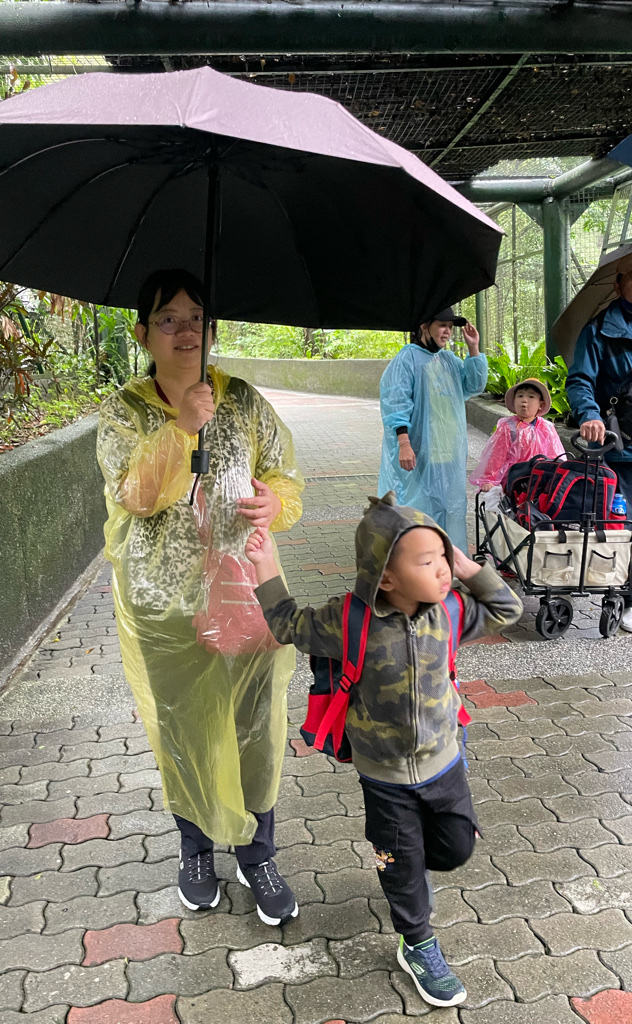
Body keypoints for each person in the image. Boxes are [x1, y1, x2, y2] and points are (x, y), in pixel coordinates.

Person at [245, 492, 522, 1007]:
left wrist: (467, 566)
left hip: (445, 762)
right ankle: (417, 942)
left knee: (457, 848)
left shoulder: (452, 610)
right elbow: (287, 623)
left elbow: (508, 608)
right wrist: (263, 563)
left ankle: (415, 866)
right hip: (384, 776)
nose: (442, 570)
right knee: (400, 863)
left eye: (443, 556)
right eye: (427, 561)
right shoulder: (348, 620)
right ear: (386, 578)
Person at [96, 269, 305, 924]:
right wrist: (181, 428)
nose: (186, 331)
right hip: (163, 605)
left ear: (213, 330)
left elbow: (283, 476)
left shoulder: (241, 400)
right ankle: (195, 850)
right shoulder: (125, 412)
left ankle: (257, 852)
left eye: (197, 318)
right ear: (143, 334)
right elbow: (134, 495)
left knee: (256, 725)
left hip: (247, 594)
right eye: (169, 319)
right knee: (184, 727)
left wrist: (276, 503)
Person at [567, 249, 632, 633]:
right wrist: (590, 415)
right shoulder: (598, 330)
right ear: (618, 285)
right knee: (621, 526)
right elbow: (580, 380)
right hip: (623, 447)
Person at [379, 307, 487, 552]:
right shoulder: (407, 359)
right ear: (425, 326)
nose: (447, 331)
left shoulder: (448, 360)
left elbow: (473, 385)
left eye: (450, 327)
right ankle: (415, 559)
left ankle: (447, 559)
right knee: (417, 507)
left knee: (449, 507)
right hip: (418, 451)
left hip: (447, 451)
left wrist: (473, 348)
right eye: (442, 325)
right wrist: (404, 443)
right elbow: (396, 403)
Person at [469, 378, 565, 493]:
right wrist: (489, 479)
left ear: (541, 404)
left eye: (531, 397)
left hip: (540, 479)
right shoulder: (508, 428)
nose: (524, 400)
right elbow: (497, 456)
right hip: (514, 480)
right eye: (520, 396)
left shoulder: (546, 428)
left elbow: (555, 453)